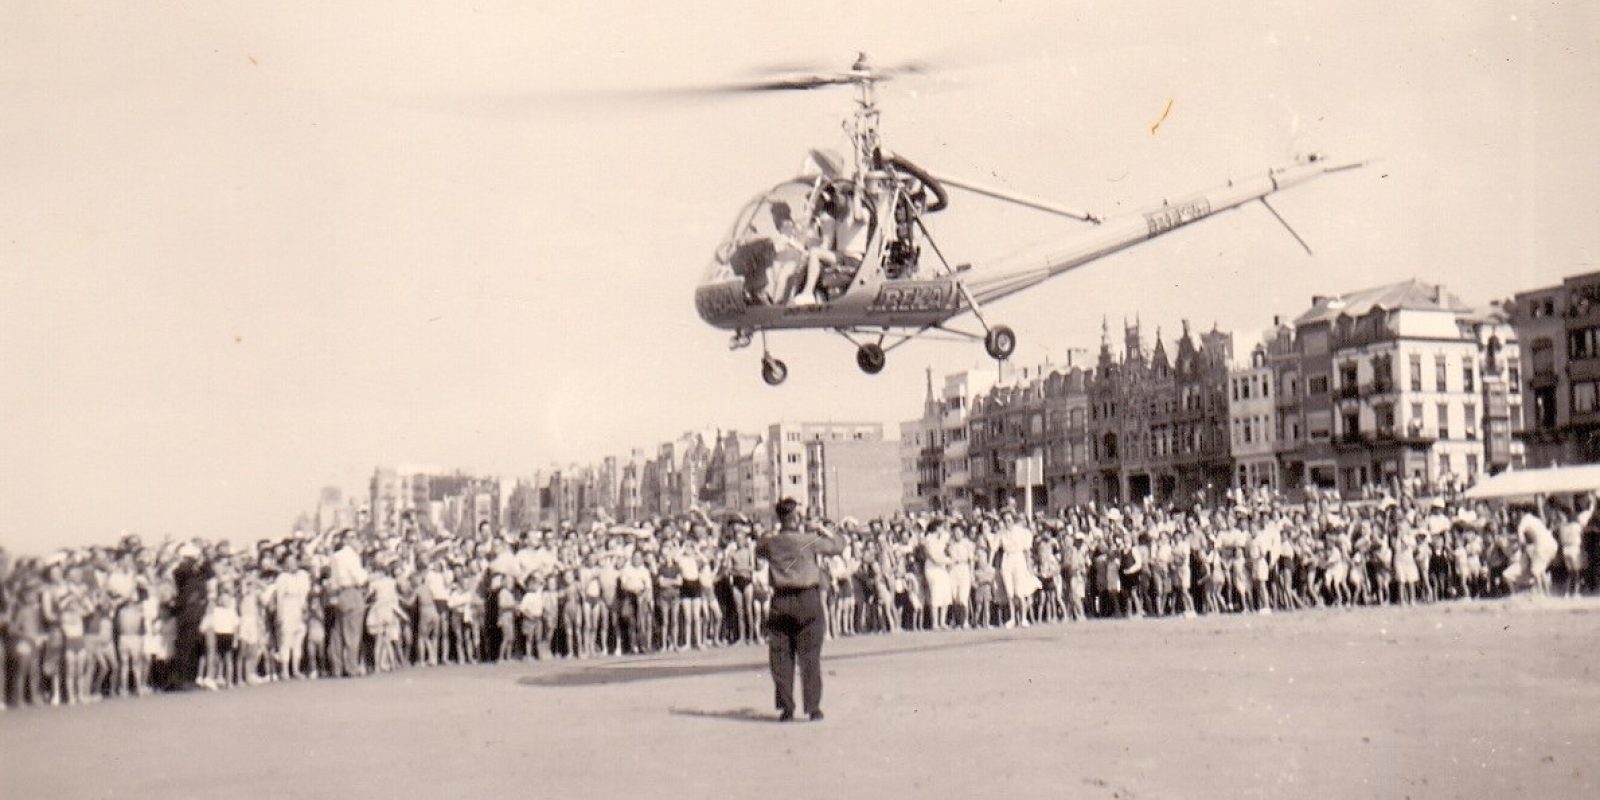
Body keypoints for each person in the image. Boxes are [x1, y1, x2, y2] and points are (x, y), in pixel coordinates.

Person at [755, 498, 843, 722]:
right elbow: (839, 545)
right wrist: (821, 528)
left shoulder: (771, 543)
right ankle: (813, 708)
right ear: (796, 518)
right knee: (810, 657)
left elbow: (759, 548)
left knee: (781, 656)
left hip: (781, 600)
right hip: (807, 599)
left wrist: (776, 529)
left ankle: (786, 708)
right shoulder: (808, 541)